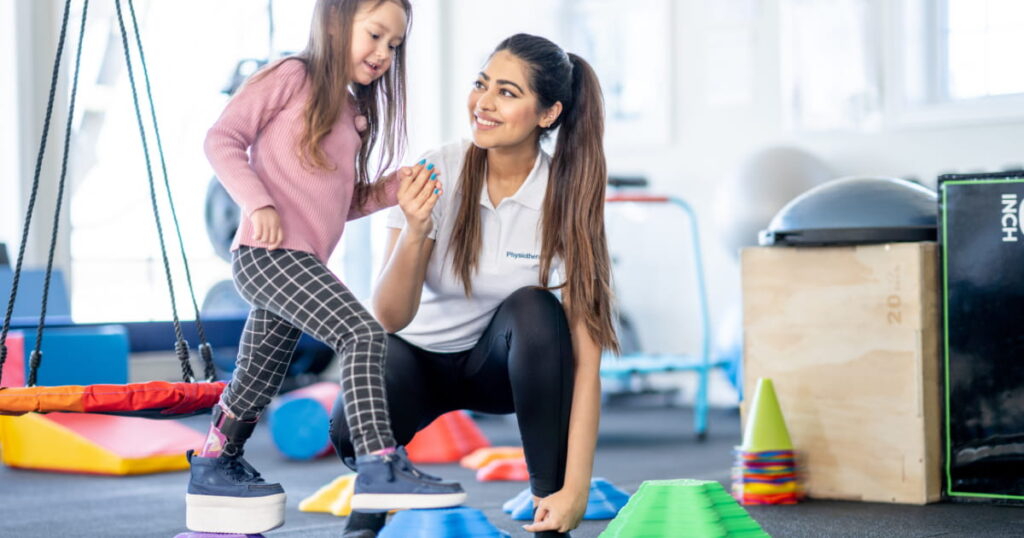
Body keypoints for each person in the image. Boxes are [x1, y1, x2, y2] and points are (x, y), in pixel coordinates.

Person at [185, 0, 465, 534]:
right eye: (376, 35)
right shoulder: (293, 75)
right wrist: (256, 202)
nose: (383, 53)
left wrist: (389, 190)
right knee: (363, 333)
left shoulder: (352, 111)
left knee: (256, 377)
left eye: (394, 45)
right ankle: (380, 466)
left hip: (299, 262)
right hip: (269, 256)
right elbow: (222, 139)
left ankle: (216, 461)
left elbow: (340, 203)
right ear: (337, 20)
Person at [331, 33, 618, 538]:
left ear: (547, 114)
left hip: (502, 370)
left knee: (536, 310)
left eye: (507, 93)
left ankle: (548, 512)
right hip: (416, 360)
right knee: (349, 425)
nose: (483, 103)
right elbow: (390, 318)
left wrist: (575, 490)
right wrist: (417, 231)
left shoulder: (566, 198)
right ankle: (371, 507)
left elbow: (586, 362)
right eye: (481, 85)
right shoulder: (437, 169)